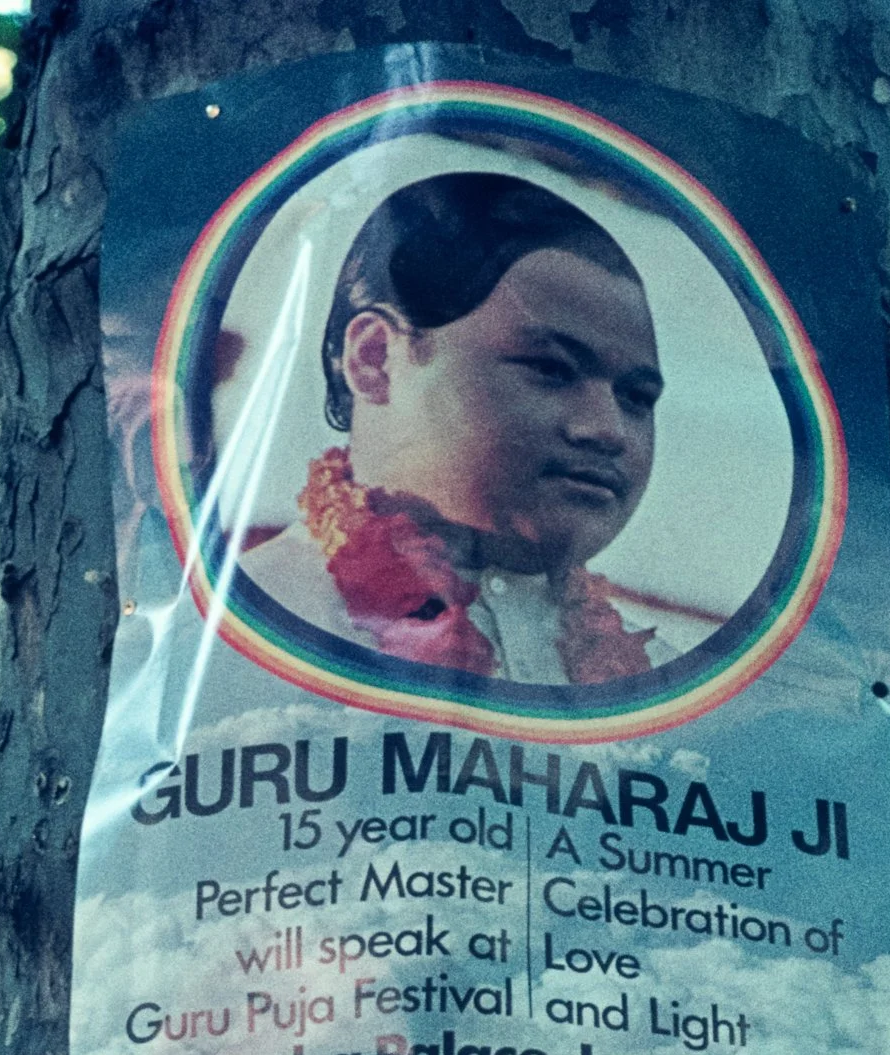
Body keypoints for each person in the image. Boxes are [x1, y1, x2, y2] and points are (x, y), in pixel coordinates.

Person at [234, 171, 671, 685]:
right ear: (374, 359)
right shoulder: (233, 635)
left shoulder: (670, 686)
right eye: (551, 368)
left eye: (637, 397)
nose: (608, 430)